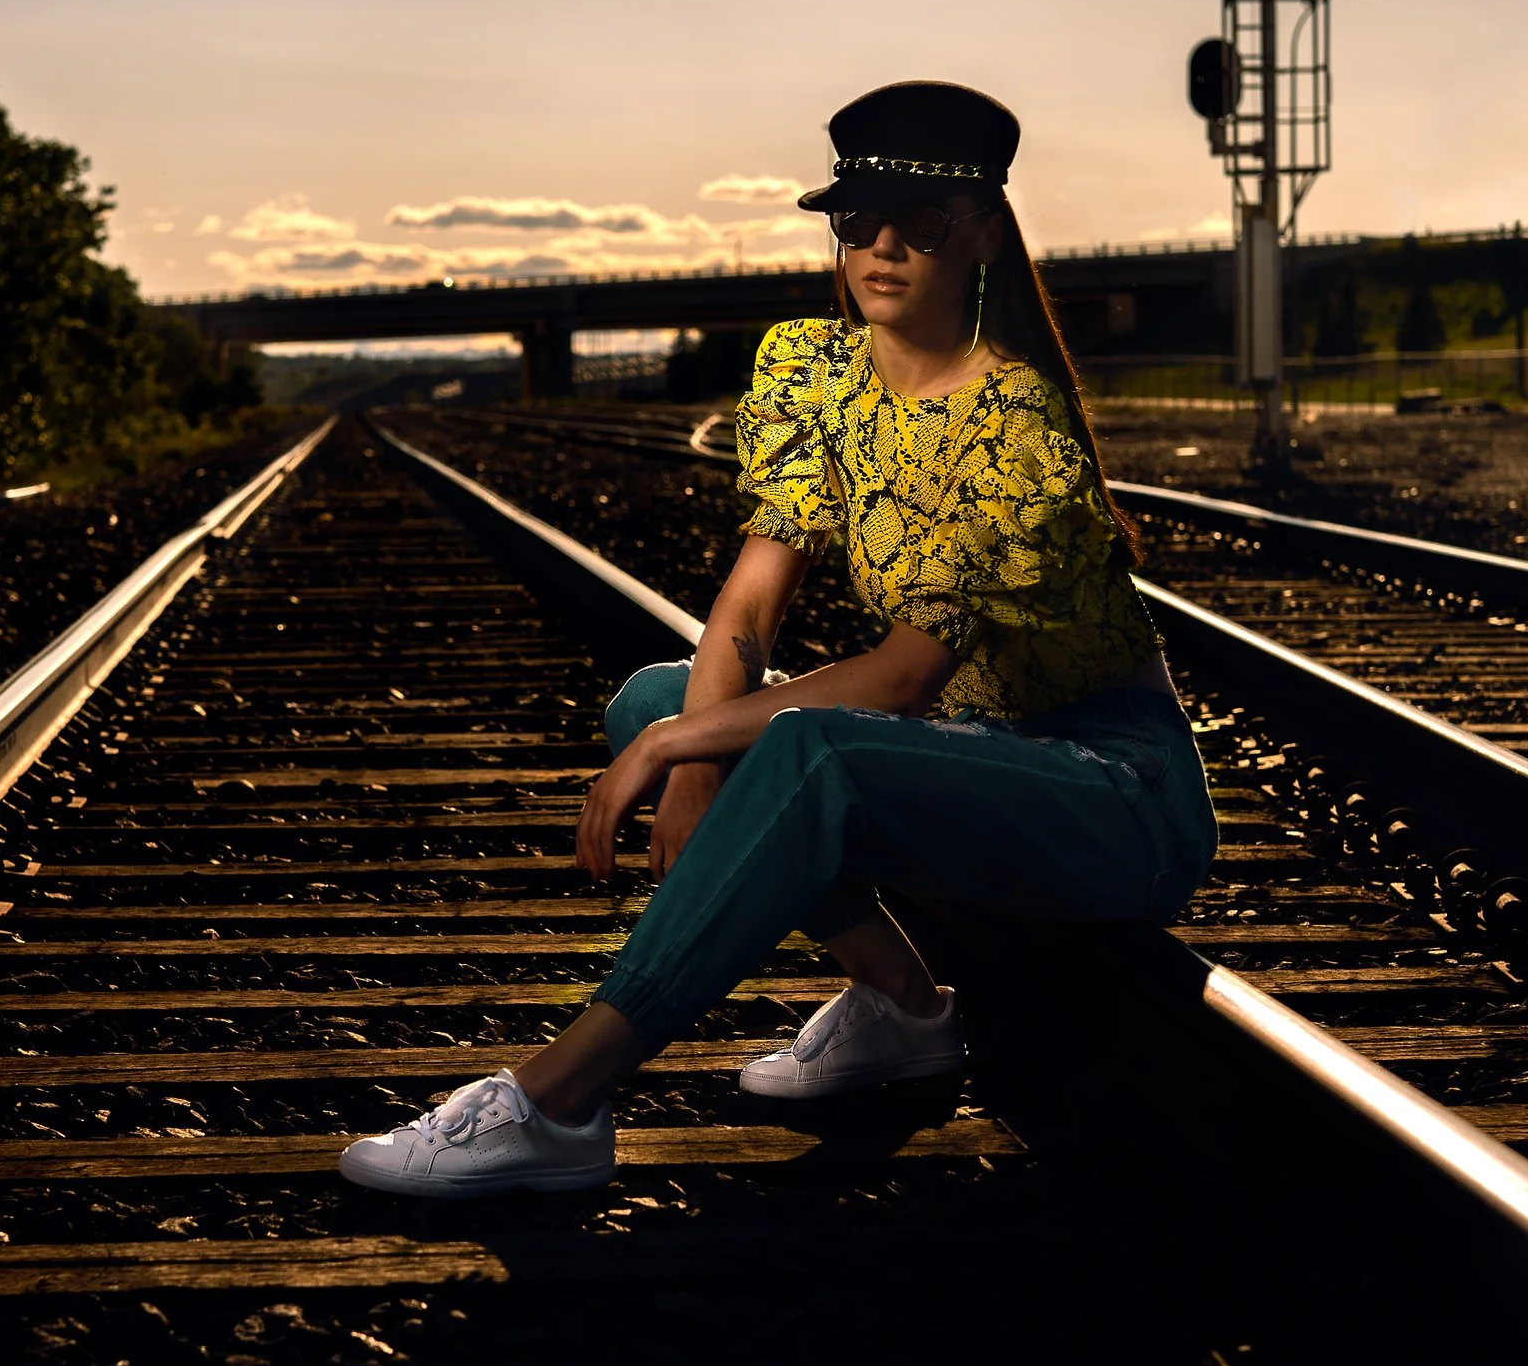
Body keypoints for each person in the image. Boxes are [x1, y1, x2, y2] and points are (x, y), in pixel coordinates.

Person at [340, 81, 1219, 1198]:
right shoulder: (815, 371)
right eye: (859, 220)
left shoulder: (1015, 422)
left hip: (1113, 790)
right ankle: (904, 1009)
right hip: (971, 756)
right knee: (659, 701)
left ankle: (558, 1102)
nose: (885, 247)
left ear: (985, 230)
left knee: (804, 745)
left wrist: (682, 757)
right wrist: (690, 742)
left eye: (925, 223)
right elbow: (751, 602)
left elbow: (903, 675)